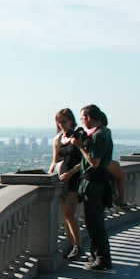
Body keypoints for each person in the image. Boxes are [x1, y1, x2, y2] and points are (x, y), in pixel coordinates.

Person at [72, 104, 113, 270]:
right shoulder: (104, 133)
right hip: (94, 184)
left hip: (94, 184)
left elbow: (94, 162)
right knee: (92, 223)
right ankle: (96, 255)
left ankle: (102, 259)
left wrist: (80, 146)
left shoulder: (99, 135)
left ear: (89, 117)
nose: (82, 120)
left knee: (95, 224)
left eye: (82, 117)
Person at [48, 108, 83, 259]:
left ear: (71, 121)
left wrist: (70, 173)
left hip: (75, 178)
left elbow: (84, 161)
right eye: (59, 122)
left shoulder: (78, 136)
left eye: (64, 121)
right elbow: (54, 161)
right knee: (65, 215)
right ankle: (70, 245)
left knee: (69, 213)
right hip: (61, 179)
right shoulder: (57, 139)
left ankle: (78, 246)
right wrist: (49, 177)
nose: (61, 125)